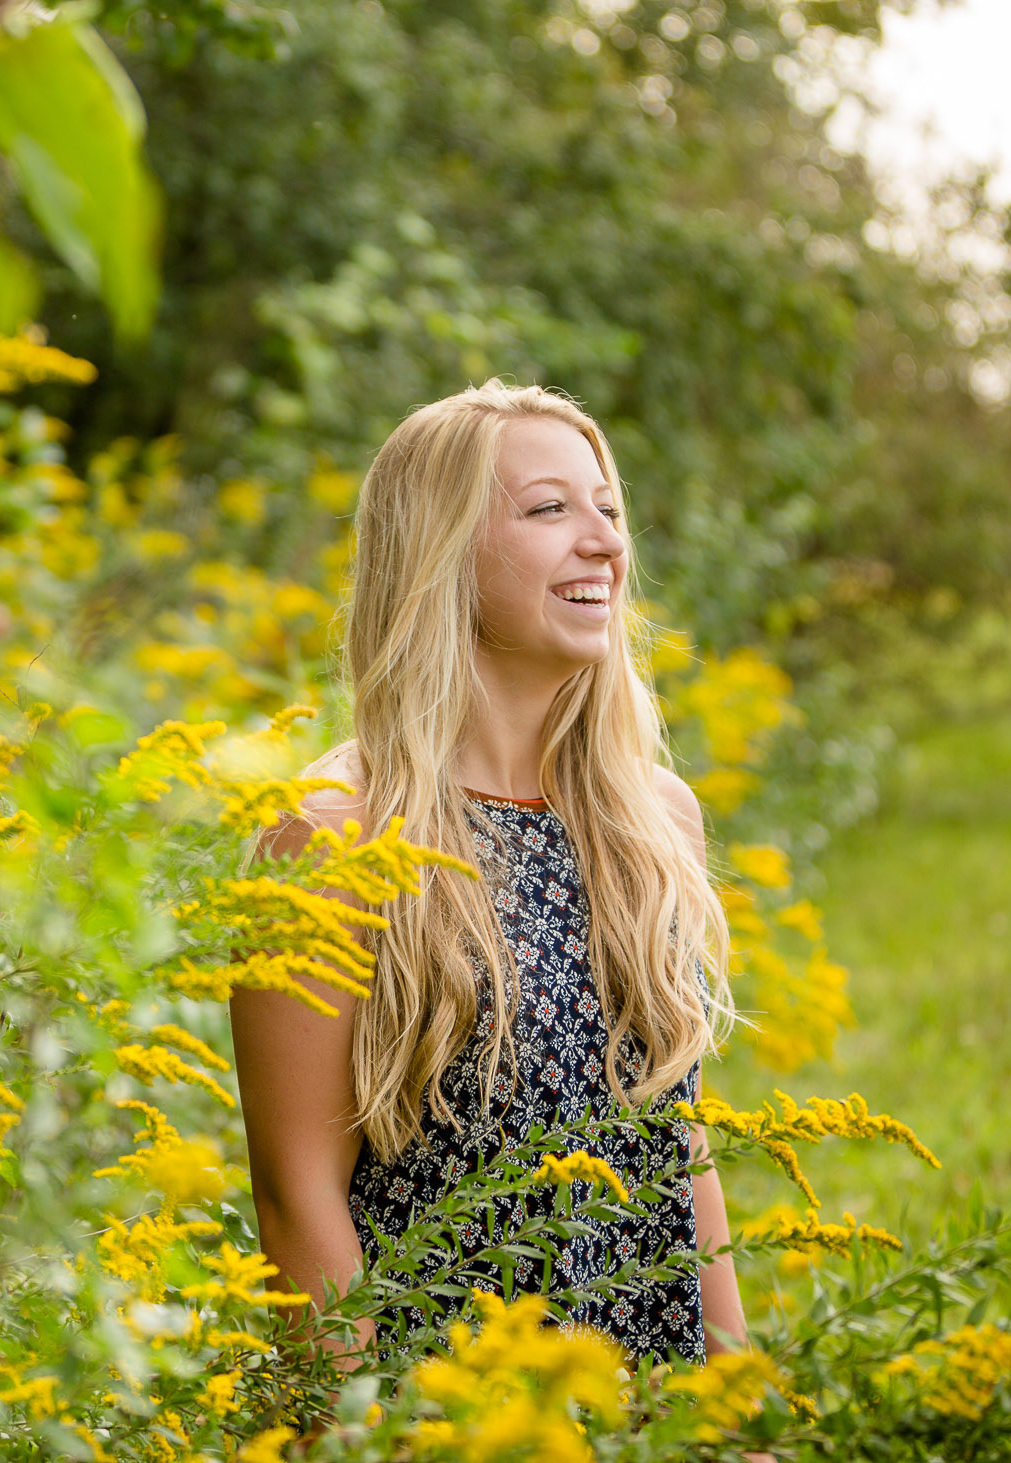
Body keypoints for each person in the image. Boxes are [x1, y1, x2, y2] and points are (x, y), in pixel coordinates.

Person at [230, 382, 753, 1376]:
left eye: (605, 507)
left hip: (641, 1406)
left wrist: (737, 1407)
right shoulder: (332, 834)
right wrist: (367, 1442)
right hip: (443, 1409)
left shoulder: (652, 818)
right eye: (549, 509)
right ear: (441, 552)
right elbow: (295, 1195)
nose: (602, 539)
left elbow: (680, 1146)